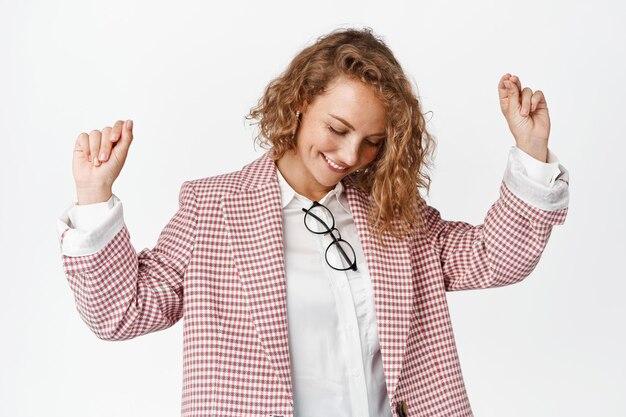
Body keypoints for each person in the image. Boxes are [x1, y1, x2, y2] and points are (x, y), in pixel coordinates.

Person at [57, 27, 569, 417]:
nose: (352, 154)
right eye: (338, 128)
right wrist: (93, 195)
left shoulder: (394, 216)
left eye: (373, 141)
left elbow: (495, 257)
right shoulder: (214, 209)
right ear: (301, 102)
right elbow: (120, 312)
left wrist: (531, 151)